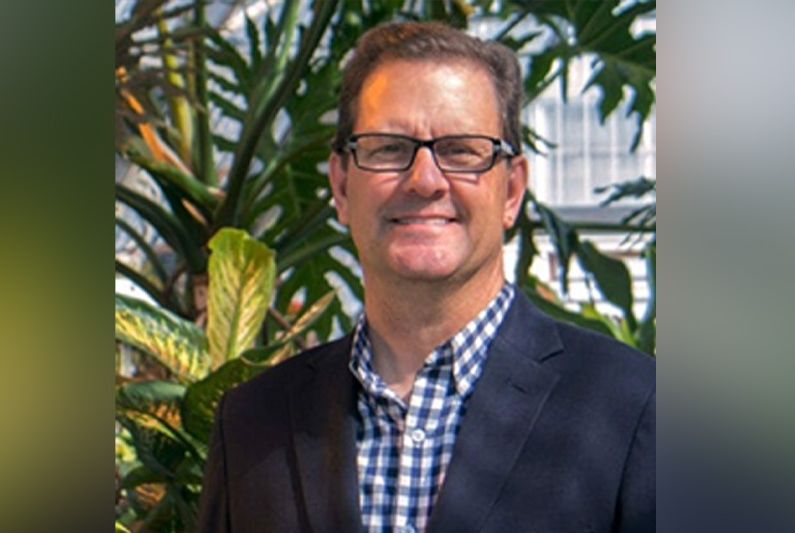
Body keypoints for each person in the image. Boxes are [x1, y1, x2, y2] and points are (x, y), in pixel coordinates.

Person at [197, 21, 654, 533]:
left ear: (511, 191)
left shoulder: (635, 408)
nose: (425, 180)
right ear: (342, 187)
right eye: (389, 148)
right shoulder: (253, 423)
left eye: (461, 150)